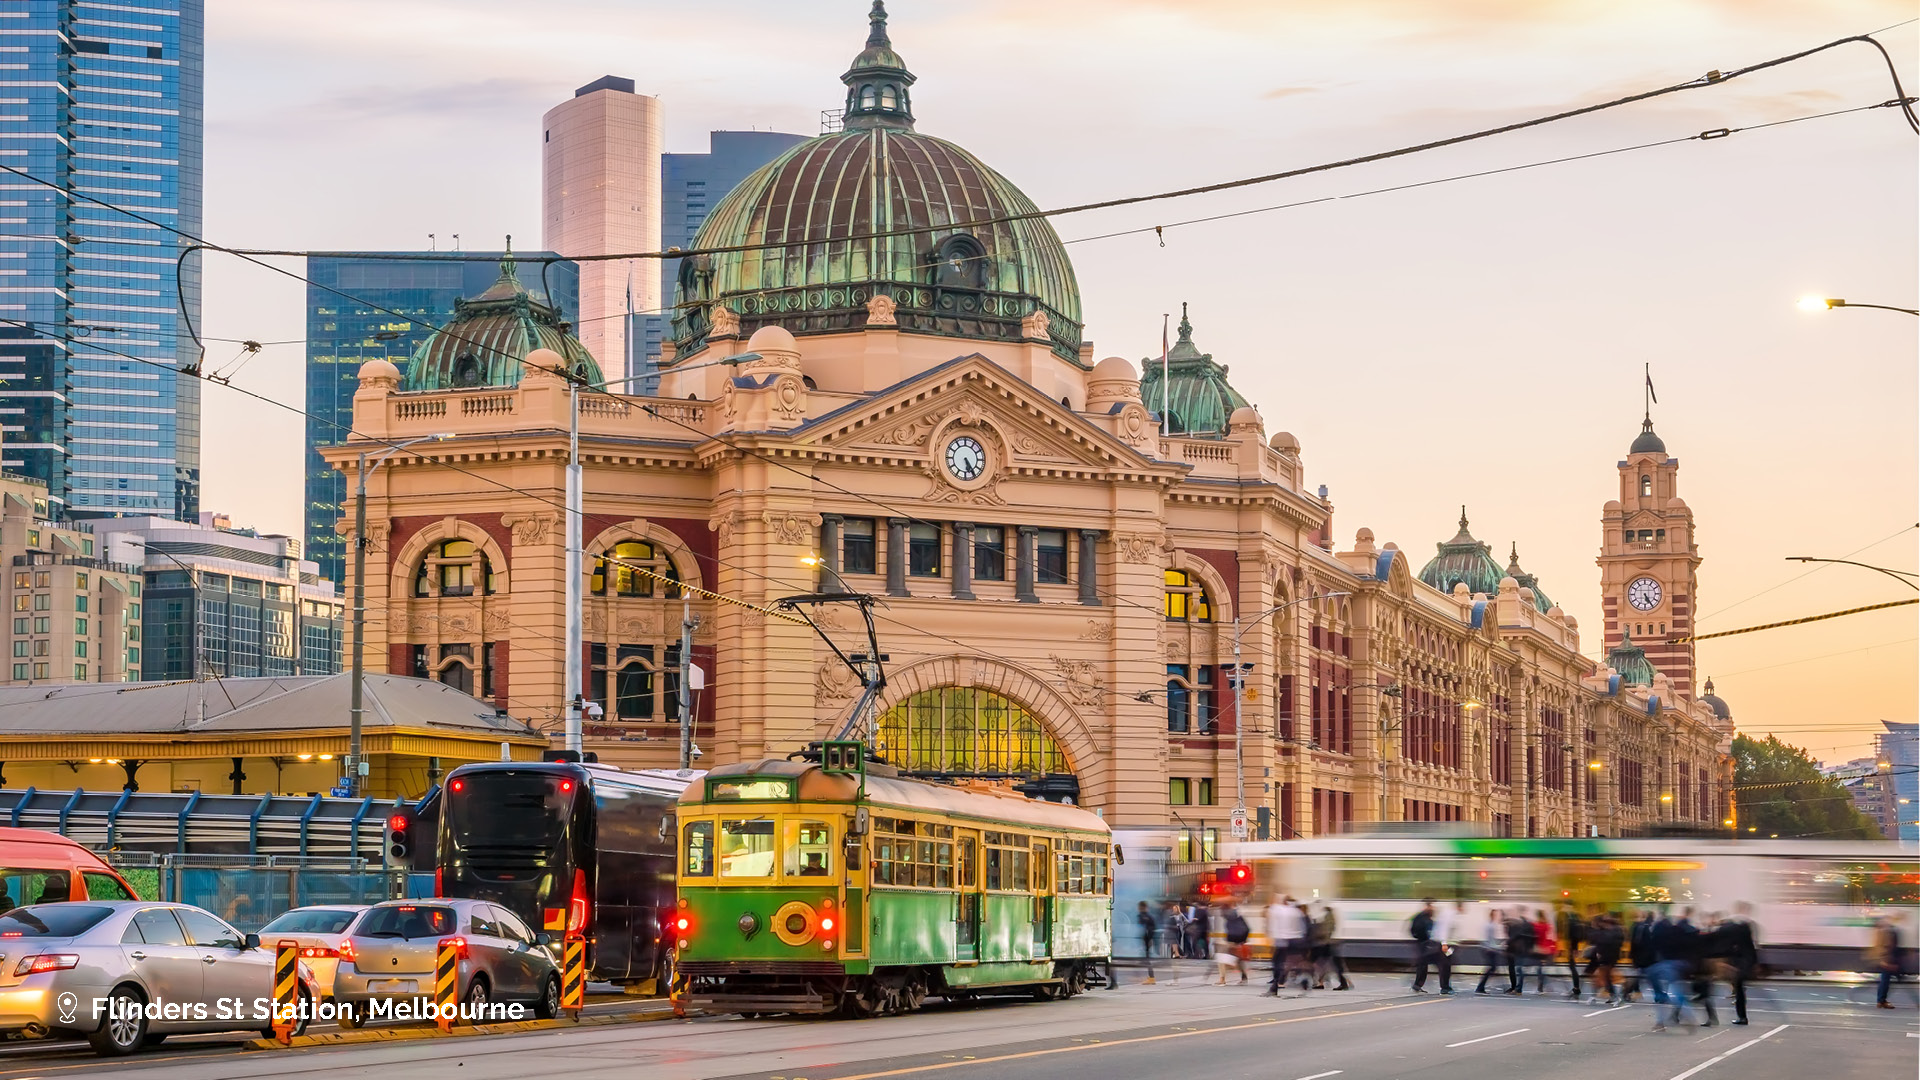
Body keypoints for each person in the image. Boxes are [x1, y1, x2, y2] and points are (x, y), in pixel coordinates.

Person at [1709, 902, 1758, 1024]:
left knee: (1738, 987)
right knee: (1739, 988)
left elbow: (1725, 938)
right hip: (1744, 960)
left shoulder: (1737, 924)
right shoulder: (1747, 924)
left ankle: (1742, 1017)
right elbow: (1751, 945)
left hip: (1739, 962)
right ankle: (1742, 1016)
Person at [1267, 894, 1307, 996]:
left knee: (1277, 964)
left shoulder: (1278, 910)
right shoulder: (1296, 912)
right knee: (1294, 963)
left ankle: (1274, 987)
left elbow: (1272, 922)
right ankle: (1304, 982)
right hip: (1296, 941)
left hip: (1282, 941)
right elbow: (1303, 928)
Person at [1311, 904, 1352, 990]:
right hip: (1328, 943)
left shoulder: (1328, 917)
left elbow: (1326, 931)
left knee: (1329, 964)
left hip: (1327, 944)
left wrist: (1319, 936)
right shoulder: (1330, 916)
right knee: (1327, 964)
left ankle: (1344, 983)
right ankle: (1322, 982)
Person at [1587, 911, 1624, 1005]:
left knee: (1604, 977)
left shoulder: (1609, 932)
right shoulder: (1613, 930)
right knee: (1603, 976)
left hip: (1606, 957)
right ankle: (1612, 995)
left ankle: (1614, 996)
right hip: (1606, 956)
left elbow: (1599, 942)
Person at [1410, 898, 1443, 994]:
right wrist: (1423, 938)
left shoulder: (1426, 917)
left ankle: (1417, 985)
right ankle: (1445, 986)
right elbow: (1416, 930)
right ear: (1427, 906)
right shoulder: (1422, 918)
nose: (1433, 908)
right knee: (1426, 964)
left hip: (1427, 943)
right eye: (1431, 906)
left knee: (1424, 964)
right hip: (1425, 943)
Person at [1868, 915, 1901, 1009]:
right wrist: (1883, 961)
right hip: (1887, 960)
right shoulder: (1883, 932)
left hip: (1890, 960)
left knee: (1886, 980)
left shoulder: (1887, 931)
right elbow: (1882, 947)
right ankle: (1881, 1001)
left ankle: (1881, 1001)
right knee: (1885, 981)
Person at [1502, 909, 1536, 994]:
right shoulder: (1511, 923)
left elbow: (1516, 935)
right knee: (1513, 968)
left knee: (1518, 968)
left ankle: (1518, 988)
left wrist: (1507, 942)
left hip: (1518, 949)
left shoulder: (1523, 924)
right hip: (1512, 948)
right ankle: (1514, 987)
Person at [1475, 907, 1508, 994]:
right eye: (1496, 915)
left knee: (1492, 967)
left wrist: (1498, 947)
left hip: (1488, 948)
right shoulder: (1490, 925)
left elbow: (1491, 940)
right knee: (1492, 967)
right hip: (1488, 949)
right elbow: (1488, 939)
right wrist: (1498, 947)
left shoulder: (1491, 925)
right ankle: (1480, 987)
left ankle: (1481, 987)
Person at [1558, 899, 1586, 999]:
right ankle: (1576, 988)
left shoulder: (1572, 918)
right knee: (1572, 967)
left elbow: (1575, 935)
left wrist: (1574, 949)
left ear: (1569, 906)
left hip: (1572, 946)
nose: (1563, 907)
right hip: (1571, 946)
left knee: (1572, 967)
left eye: (1564, 905)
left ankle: (1576, 988)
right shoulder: (1573, 917)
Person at [1219, 905, 1252, 985]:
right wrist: (1243, 941)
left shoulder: (1229, 920)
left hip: (1232, 942)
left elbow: (1230, 933)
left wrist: (1229, 942)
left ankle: (1222, 980)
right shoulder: (1240, 918)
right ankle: (1244, 977)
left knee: (1221, 959)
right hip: (1239, 942)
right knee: (1237, 960)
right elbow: (1248, 929)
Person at [1527, 909, 1555, 994]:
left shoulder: (1537, 925)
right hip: (1547, 949)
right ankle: (1543, 986)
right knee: (1541, 969)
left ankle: (1541, 987)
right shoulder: (1548, 925)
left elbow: (1533, 928)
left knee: (1539, 969)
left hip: (1540, 949)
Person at [1137, 901, 1158, 985]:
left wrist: (1149, 939)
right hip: (1147, 939)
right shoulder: (1148, 916)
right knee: (1146, 959)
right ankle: (1150, 977)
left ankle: (1151, 977)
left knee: (1147, 959)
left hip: (1147, 939)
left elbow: (1147, 929)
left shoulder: (1144, 916)